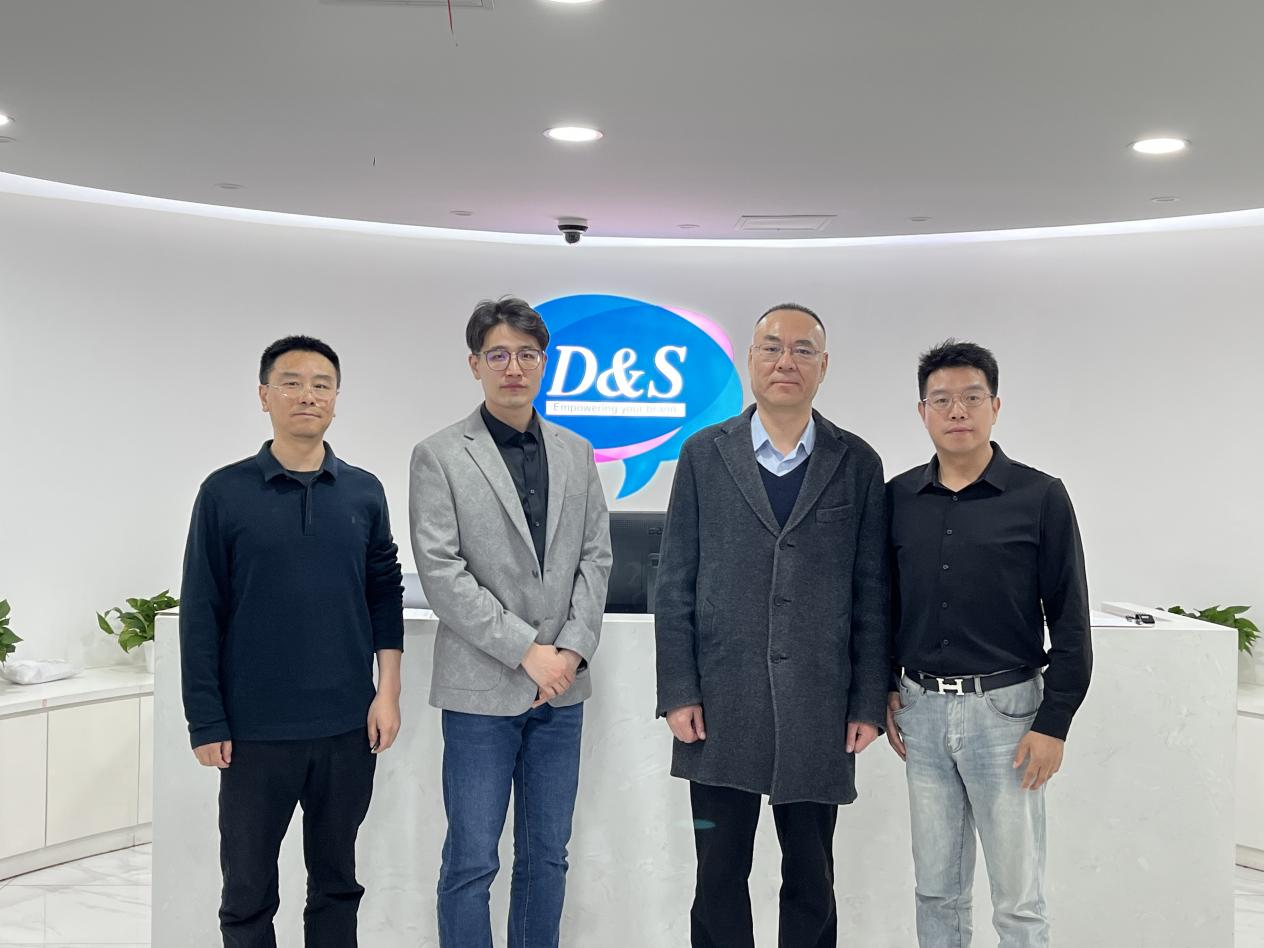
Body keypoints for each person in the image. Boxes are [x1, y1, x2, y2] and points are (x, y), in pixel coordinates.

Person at [654, 303, 890, 948]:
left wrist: (867, 700)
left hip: (820, 705)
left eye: (803, 349)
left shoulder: (858, 462)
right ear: (751, 360)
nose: (787, 361)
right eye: (772, 348)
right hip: (719, 704)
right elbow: (674, 582)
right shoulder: (703, 454)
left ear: (824, 365)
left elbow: (873, 593)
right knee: (718, 874)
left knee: (812, 876)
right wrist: (678, 691)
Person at [180, 334, 404, 947]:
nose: (308, 395)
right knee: (247, 892)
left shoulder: (363, 491)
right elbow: (200, 611)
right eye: (291, 383)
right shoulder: (224, 492)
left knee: (337, 885)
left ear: (336, 398)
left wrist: (387, 692)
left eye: (321, 385)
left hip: (345, 728)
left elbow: (384, 595)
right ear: (264, 396)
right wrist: (206, 720)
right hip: (254, 732)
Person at [409, 297, 611, 948]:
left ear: (544, 363)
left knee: (547, 857)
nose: (513, 368)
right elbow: (442, 571)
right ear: (475, 364)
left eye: (527, 355)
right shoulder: (440, 455)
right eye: (498, 354)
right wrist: (528, 651)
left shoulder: (577, 452)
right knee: (472, 860)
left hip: (562, 692)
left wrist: (570, 651)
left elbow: (596, 556)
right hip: (480, 692)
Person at [885, 338, 1092, 948]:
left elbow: (1070, 618)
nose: (957, 411)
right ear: (922, 411)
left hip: (1008, 715)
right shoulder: (897, 498)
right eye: (941, 400)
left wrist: (1054, 722)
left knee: (1018, 900)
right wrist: (883, 687)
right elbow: (882, 604)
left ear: (995, 407)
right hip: (921, 712)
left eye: (972, 397)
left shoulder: (1040, 496)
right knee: (937, 892)